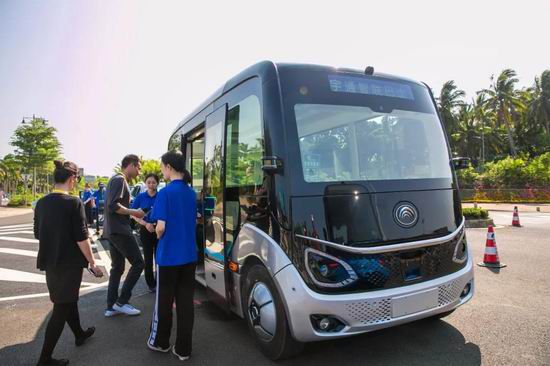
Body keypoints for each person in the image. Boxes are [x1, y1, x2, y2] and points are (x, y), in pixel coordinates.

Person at [34, 160, 104, 366]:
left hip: (50, 261)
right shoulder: (74, 202)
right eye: (76, 179)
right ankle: (44, 359)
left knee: (67, 301)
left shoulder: (41, 203)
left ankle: (79, 334)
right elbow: (81, 238)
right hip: (69, 264)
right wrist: (92, 262)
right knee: (62, 307)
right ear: (72, 178)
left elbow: (38, 233)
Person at [147, 151, 196, 361]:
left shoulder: (165, 193)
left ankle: (160, 342)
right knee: (185, 303)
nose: (161, 171)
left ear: (168, 167)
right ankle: (184, 349)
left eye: (161, 167)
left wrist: (152, 229)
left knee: (164, 303)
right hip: (189, 256)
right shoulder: (191, 192)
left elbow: (160, 228)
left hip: (168, 257)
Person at [103, 154, 145, 317]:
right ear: (132, 165)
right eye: (139, 167)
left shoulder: (115, 179)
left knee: (118, 268)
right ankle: (121, 302)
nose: (139, 171)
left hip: (112, 231)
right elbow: (113, 205)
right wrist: (134, 212)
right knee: (138, 263)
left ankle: (111, 306)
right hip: (120, 230)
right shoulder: (120, 180)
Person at [131, 173, 160, 292]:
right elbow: (133, 214)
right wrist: (145, 224)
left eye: (153, 182)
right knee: (148, 259)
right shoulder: (140, 197)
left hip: (159, 229)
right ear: (145, 183)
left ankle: (160, 282)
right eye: (149, 182)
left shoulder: (161, 196)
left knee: (160, 258)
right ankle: (151, 284)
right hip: (145, 230)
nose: (151, 184)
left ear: (157, 183)